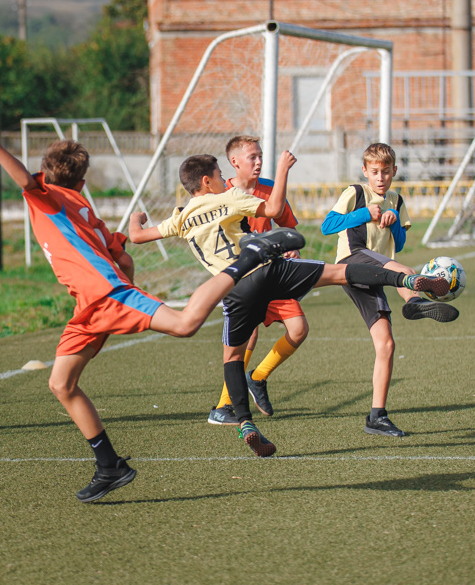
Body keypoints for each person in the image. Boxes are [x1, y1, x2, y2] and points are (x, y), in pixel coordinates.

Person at [0, 113, 302, 502]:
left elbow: (25, 180)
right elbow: (125, 257)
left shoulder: (45, 195)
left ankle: (245, 261)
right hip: (89, 306)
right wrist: (127, 272)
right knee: (60, 384)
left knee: (184, 324)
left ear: (47, 177)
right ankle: (110, 466)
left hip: (107, 295)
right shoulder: (85, 210)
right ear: (82, 182)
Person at [130, 151, 452, 457]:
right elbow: (273, 209)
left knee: (233, 358)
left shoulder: (181, 218)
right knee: (340, 272)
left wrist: (136, 218)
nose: (223, 179)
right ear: (206, 182)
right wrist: (283, 168)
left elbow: (137, 236)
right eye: (219, 175)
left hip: (234, 290)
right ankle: (406, 281)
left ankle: (245, 423)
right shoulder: (228, 198)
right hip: (266, 271)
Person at [321, 142, 459, 438]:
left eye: (385, 171)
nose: (380, 177)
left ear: (394, 171)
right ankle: (415, 302)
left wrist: (393, 222)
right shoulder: (356, 193)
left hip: (375, 273)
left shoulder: (396, 200)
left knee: (386, 345)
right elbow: (327, 226)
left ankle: (377, 416)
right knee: (406, 272)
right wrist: (364, 214)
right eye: (374, 172)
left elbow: (400, 242)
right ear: (364, 171)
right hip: (353, 260)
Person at [207, 135, 308, 425]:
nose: (259, 161)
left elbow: (289, 228)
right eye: (253, 157)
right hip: (242, 279)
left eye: (260, 156)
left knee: (299, 329)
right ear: (234, 161)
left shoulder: (270, 190)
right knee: (246, 336)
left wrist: (291, 247)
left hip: (272, 276)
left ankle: (258, 377)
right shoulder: (220, 194)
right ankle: (223, 406)